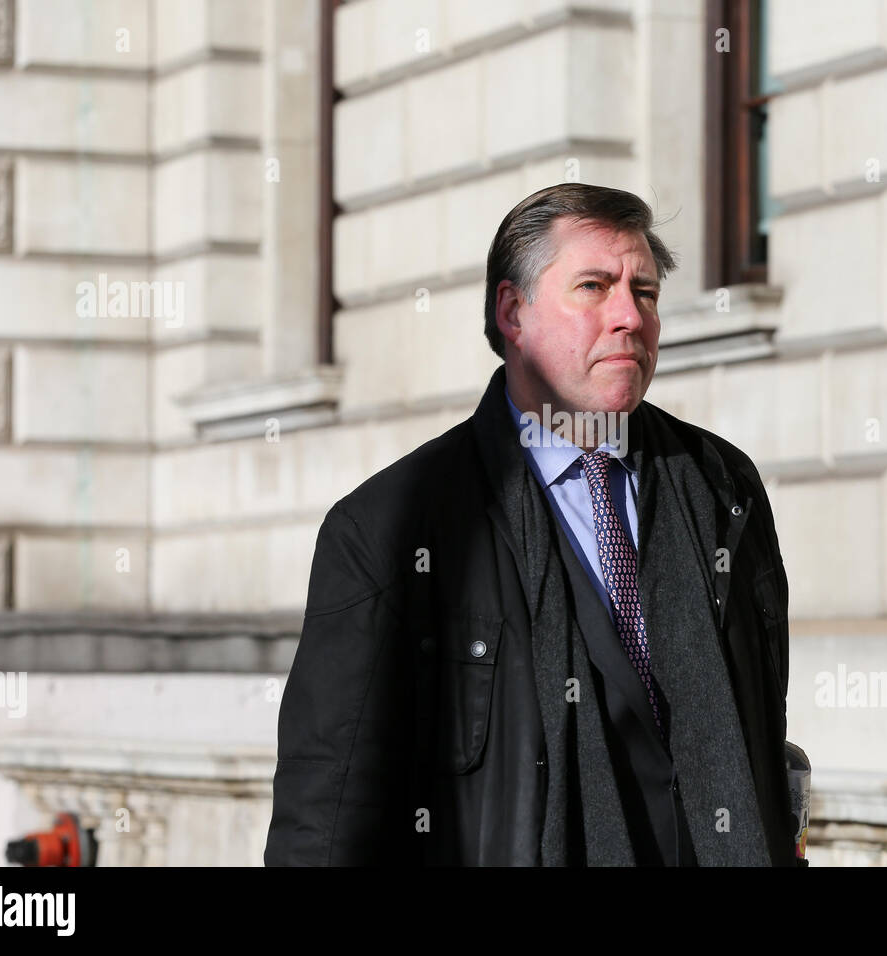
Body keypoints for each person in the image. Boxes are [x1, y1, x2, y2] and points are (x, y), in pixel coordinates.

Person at [263, 183, 795, 866]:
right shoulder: (389, 531)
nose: (629, 317)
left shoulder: (725, 490)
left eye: (647, 293)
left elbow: (763, 736)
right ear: (513, 313)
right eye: (594, 287)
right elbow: (327, 817)